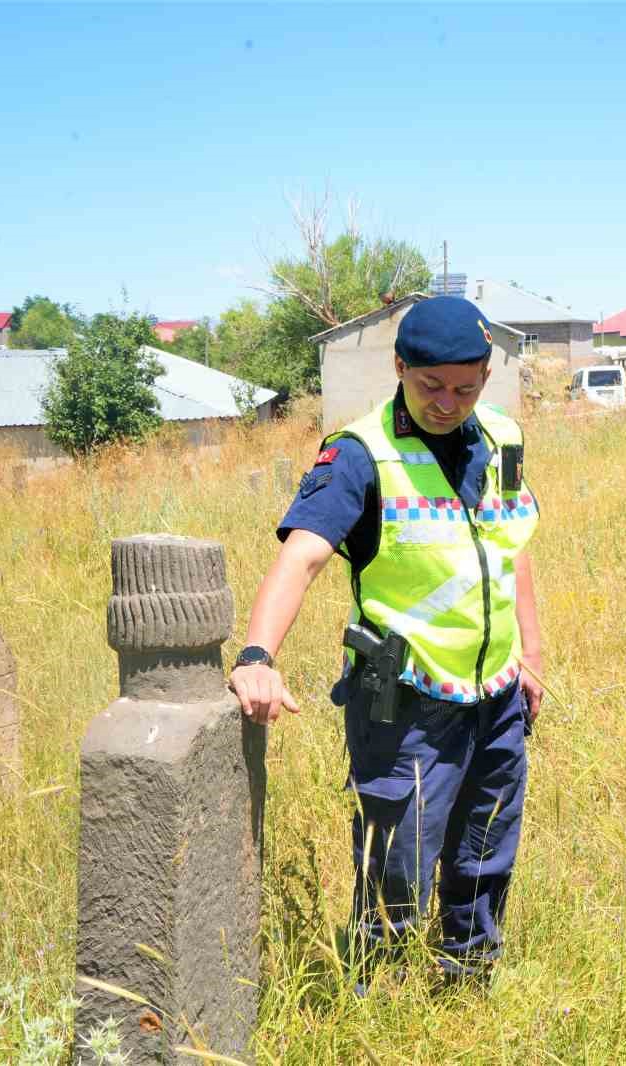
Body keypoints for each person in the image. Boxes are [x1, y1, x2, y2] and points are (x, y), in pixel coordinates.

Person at [227, 295, 544, 989]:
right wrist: (257, 655)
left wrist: (531, 659)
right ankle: (378, 997)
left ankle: (467, 984)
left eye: (465, 387)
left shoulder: (502, 439)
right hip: (404, 704)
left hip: (494, 695)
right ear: (400, 366)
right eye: (431, 385)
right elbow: (302, 556)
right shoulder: (358, 455)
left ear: (486, 375)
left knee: (485, 852)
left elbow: (512, 546)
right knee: (397, 866)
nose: (447, 402)